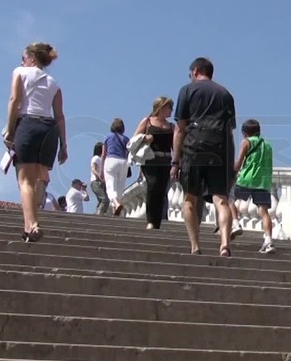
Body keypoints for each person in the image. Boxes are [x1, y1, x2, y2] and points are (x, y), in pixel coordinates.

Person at [171, 57, 237, 256]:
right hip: (220, 146)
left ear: (196, 70)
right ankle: (224, 243)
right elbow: (230, 130)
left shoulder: (187, 90)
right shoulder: (225, 93)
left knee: (190, 198)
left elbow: (180, 129)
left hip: (195, 145)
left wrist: (176, 160)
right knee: (221, 199)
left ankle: (195, 246)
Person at [3, 42, 67, 242]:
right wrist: (64, 145)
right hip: (49, 131)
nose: (21, 61)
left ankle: (32, 224)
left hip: (28, 125)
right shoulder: (54, 83)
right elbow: (60, 115)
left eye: (23, 58)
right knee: (40, 178)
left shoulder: (20, 72)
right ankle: (27, 227)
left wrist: (10, 130)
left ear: (31, 58)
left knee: (24, 181)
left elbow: (14, 100)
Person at [234, 119, 276, 253]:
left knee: (231, 200)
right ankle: (268, 240)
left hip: (247, 178)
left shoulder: (247, 142)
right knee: (263, 212)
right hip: (263, 181)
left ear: (245, 133)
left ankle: (235, 223)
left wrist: (232, 171)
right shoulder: (268, 145)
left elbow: (239, 162)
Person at [134, 97, 175, 230]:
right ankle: (151, 220)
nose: (171, 110)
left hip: (166, 161)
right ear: (161, 108)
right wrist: (145, 138)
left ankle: (156, 221)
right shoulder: (147, 122)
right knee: (153, 186)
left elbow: (175, 145)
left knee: (162, 190)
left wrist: (177, 162)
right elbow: (134, 139)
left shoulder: (171, 126)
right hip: (150, 160)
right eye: (169, 107)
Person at [101, 118, 130, 216]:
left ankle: (116, 203)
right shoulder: (126, 139)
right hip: (124, 162)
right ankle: (115, 209)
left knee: (110, 185)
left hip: (111, 160)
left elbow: (103, 154)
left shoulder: (107, 137)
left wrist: (101, 170)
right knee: (120, 187)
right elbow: (128, 153)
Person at [89, 143, 110, 216]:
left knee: (101, 200)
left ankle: (97, 214)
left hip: (101, 182)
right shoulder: (96, 158)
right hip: (96, 182)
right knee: (105, 200)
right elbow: (93, 169)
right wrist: (100, 176)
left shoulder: (101, 159)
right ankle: (100, 216)